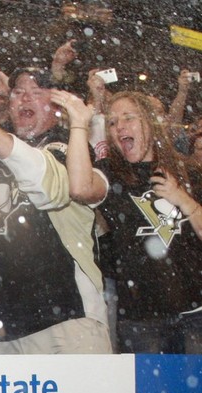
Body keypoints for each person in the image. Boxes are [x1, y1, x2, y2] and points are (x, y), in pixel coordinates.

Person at [0, 67, 112, 354]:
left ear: (57, 109)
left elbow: (48, 187)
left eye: (37, 93)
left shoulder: (67, 150)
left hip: (65, 315)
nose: (26, 99)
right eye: (19, 93)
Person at [58, 89, 202, 353]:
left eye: (128, 118)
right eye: (112, 122)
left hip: (196, 313)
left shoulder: (188, 170)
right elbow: (78, 188)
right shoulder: (113, 175)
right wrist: (79, 123)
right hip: (141, 320)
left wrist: (183, 198)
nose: (119, 126)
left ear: (149, 121)